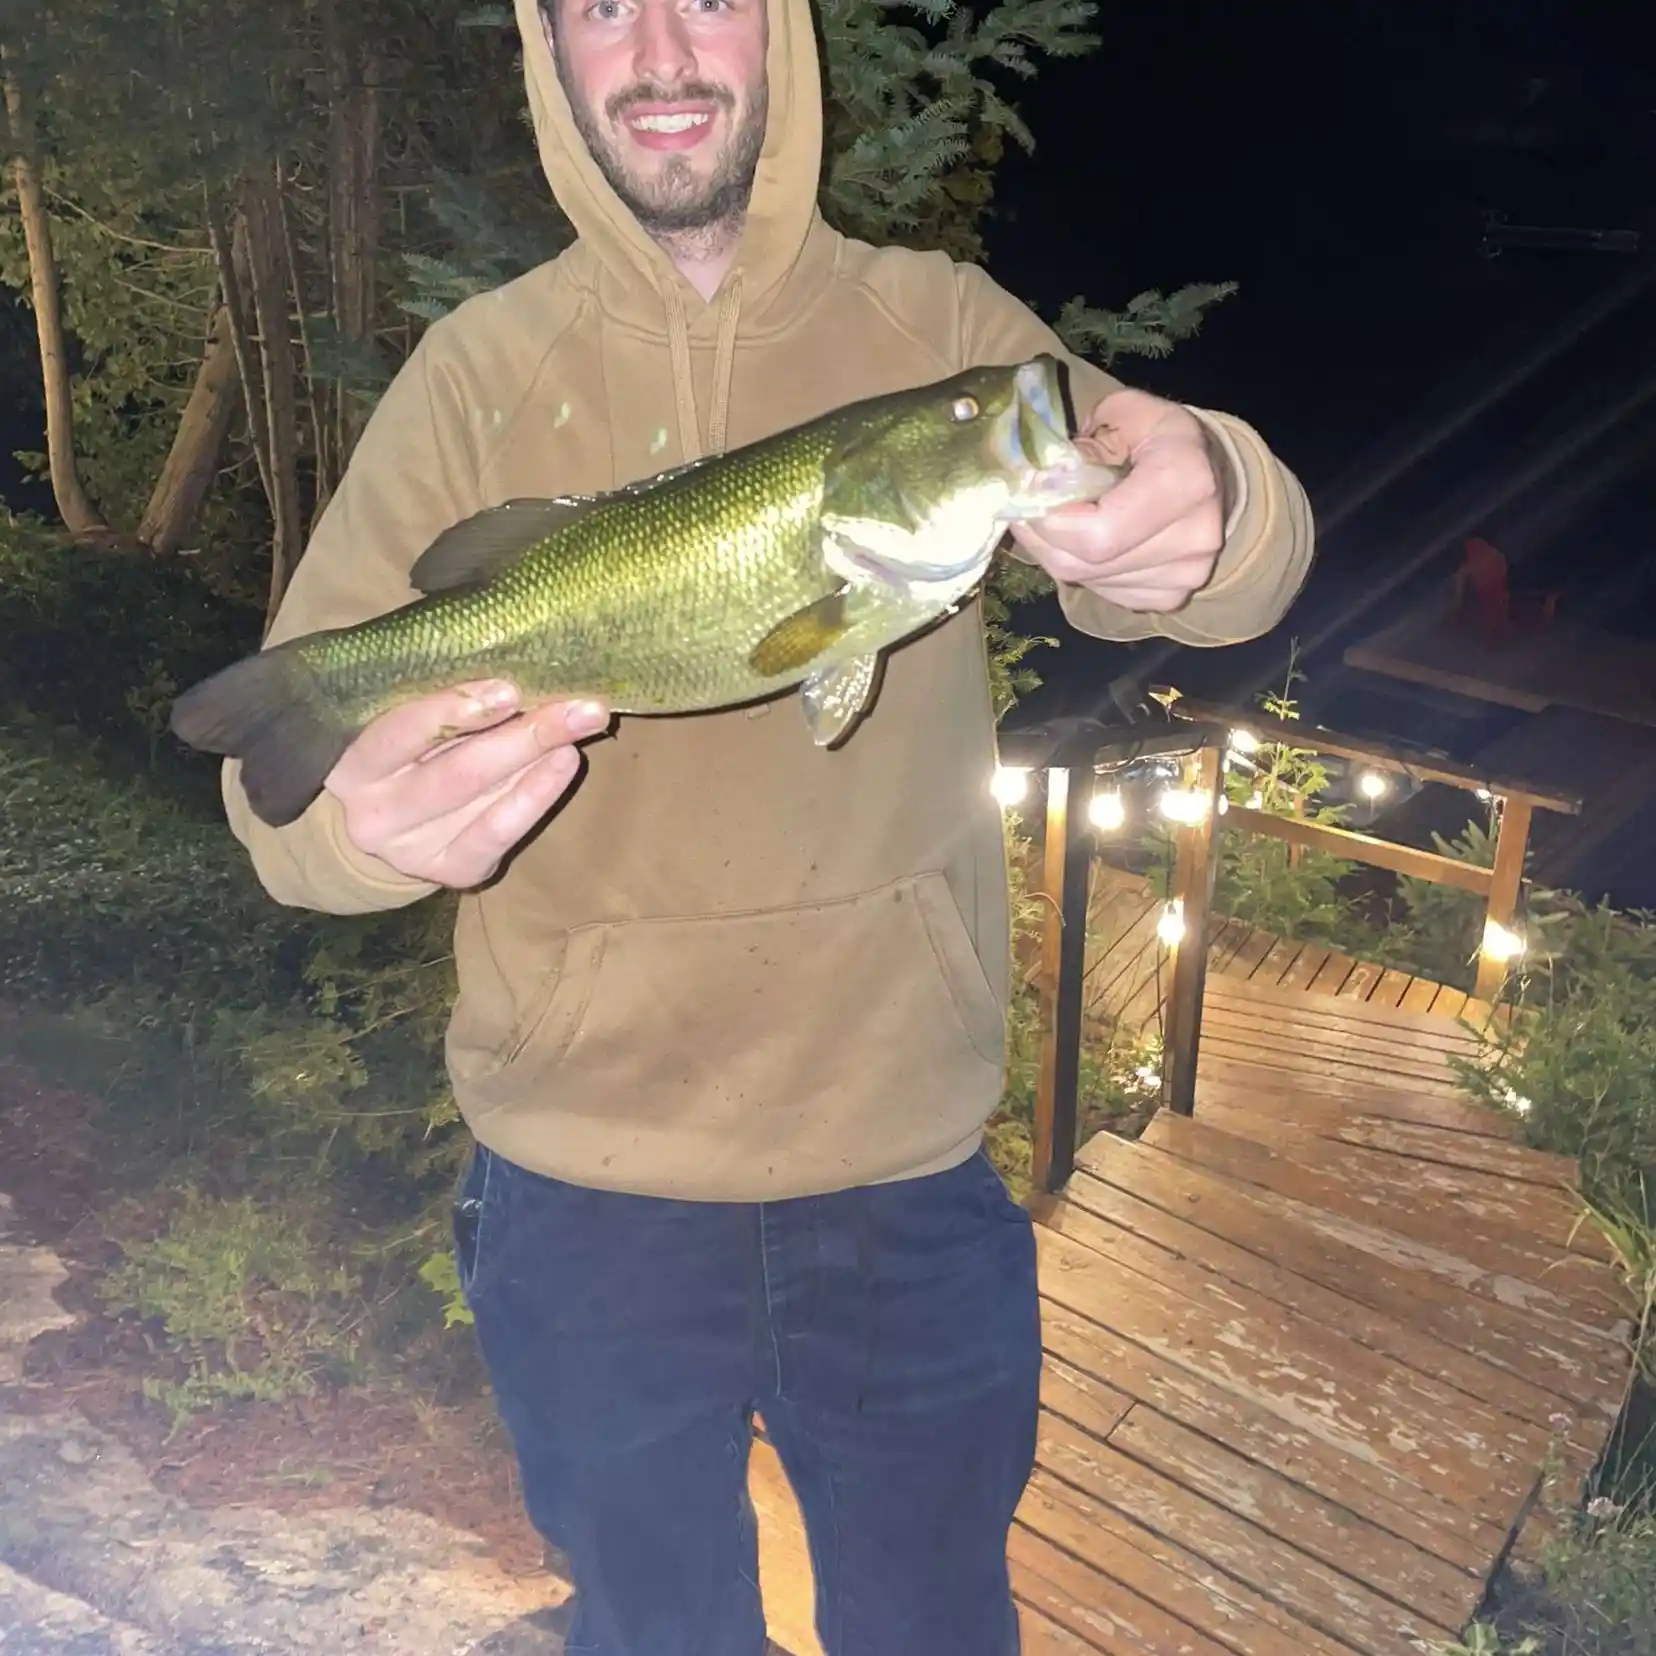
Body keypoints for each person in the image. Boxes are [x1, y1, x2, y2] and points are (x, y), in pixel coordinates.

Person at [218, 0, 1314, 1648]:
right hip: (583, 1198)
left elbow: (1230, 555)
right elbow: (275, 797)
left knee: (935, 1622)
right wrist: (368, 834)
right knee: (652, 1628)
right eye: (601, 3)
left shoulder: (944, 333)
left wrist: (1220, 503)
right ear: (546, 48)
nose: (660, 48)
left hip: (906, 1182)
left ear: (784, 29)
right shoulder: (476, 374)